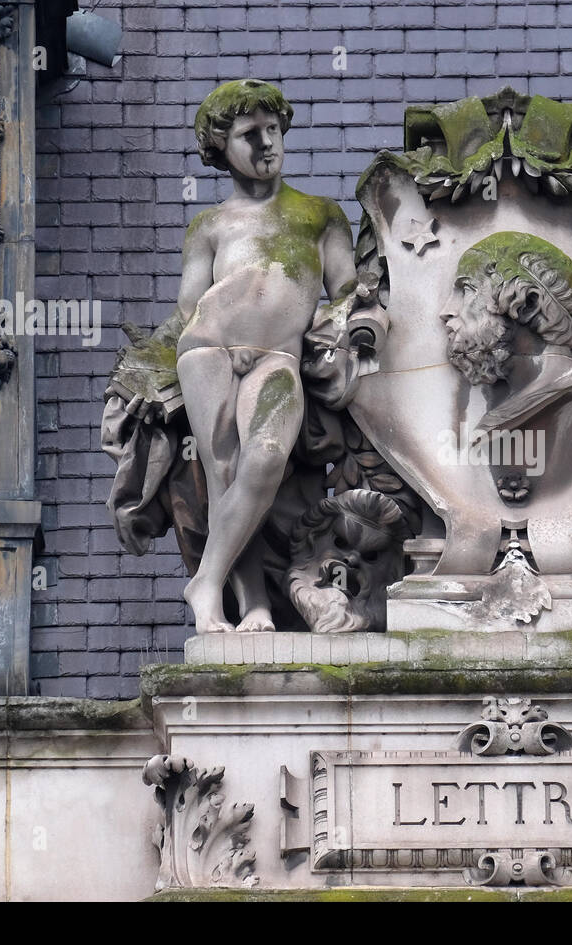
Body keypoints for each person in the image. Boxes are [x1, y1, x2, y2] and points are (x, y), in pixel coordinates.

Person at [174, 79, 356, 632]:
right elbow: (189, 306)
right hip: (208, 350)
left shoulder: (318, 214)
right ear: (220, 148)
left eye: (274, 130)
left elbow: (347, 290)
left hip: (278, 356)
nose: (267, 144)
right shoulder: (209, 226)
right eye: (250, 134)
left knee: (267, 456)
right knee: (223, 469)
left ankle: (204, 579)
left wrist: (342, 330)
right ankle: (250, 603)